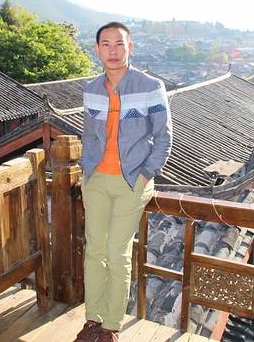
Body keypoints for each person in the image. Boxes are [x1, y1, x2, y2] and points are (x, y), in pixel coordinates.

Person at [76, 22, 173, 342]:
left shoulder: (150, 86)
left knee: (117, 252)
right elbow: (89, 135)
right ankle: (93, 319)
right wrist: (86, 169)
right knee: (94, 251)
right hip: (97, 180)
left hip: (132, 181)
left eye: (119, 44)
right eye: (106, 44)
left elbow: (164, 137)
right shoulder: (91, 89)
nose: (113, 51)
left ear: (130, 47)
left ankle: (111, 326)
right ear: (97, 50)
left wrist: (146, 174)